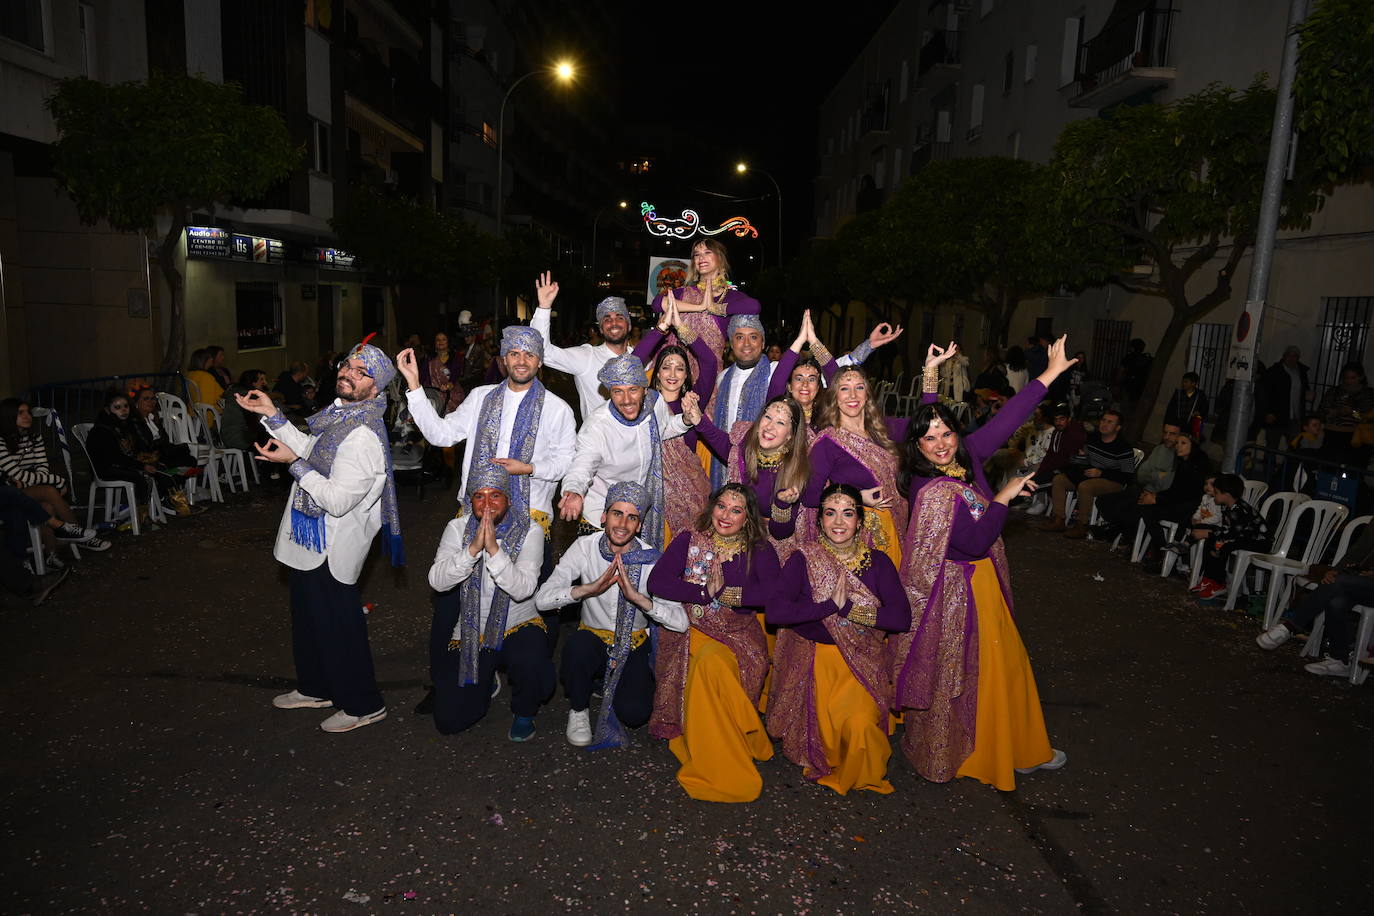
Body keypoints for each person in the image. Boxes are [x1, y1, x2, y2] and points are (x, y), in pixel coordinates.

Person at [236, 341, 404, 734]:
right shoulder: (341, 417)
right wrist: (273, 416)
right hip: (309, 540)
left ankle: (365, 704)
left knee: (339, 629)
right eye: (348, 364)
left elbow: (338, 500)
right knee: (309, 622)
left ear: (375, 389)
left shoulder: (362, 435)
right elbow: (316, 449)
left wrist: (293, 464)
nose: (348, 372)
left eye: (362, 372)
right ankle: (316, 688)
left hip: (332, 546)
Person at [893, 426, 1068, 789]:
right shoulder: (935, 489)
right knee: (986, 671)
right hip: (963, 592)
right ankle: (991, 753)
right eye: (929, 437)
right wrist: (1004, 495)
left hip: (980, 587)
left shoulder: (956, 477)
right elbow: (973, 542)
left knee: (1003, 668)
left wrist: (1003, 496)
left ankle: (1016, 746)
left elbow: (979, 515)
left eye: (946, 434)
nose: (940, 443)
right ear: (917, 447)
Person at [767, 483, 911, 795]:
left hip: (861, 665)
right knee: (824, 743)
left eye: (847, 514)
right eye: (830, 514)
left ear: (860, 521)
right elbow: (776, 612)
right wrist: (827, 607)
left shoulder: (878, 562)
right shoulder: (803, 559)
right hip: (814, 665)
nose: (838, 522)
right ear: (819, 521)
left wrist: (850, 610)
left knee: (859, 727)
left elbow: (901, 618)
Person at [646, 483, 781, 803]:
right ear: (712, 507)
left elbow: (777, 596)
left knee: (714, 663)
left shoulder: (759, 549)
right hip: (691, 630)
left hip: (738, 635)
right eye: (721, 506)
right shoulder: (690, 538)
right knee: (708, 662)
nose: (726, 516)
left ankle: (723, 740)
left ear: (747, 518)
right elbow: (658, 582)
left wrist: (737, 596)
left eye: (736, 511)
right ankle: (714, 744)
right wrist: (703, 593)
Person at [536, 481, 689, 747]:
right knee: (577, 650)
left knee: (634, 714)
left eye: (632, 518)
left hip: (633, 642)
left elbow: (680, 622)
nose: (622, 524)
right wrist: (586, 589)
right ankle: (579, 708)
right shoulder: (585, 547)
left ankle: (611, 683)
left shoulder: (653, 560)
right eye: (617, 514)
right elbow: (543, 600)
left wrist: (640, 599)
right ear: (603, 516)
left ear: (639, 525)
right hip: (592, 637)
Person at [398, 326, 575, 545]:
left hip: (530, 511)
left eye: (529, 354)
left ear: (540, 361)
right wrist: (414, 385)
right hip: (477, 510)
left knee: (522, 580)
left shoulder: (558, 409)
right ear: (504, 360)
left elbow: (565, 462)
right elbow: (441, 435)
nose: (521, 361)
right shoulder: (480, 397)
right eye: (514, 354)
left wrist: (529, 469)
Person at [426, 464, 553, 741]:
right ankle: (484, 679)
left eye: (495, 495)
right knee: (450, 720)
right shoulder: (457, 527)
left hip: (518, 623)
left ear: (508, 499)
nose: (486, 504)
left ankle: (524, 712)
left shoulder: (529, 530)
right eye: (479, 496)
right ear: (470, 500)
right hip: (471, 630)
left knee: (531, 660)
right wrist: (472, 550)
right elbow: (437, 581)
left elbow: (523, 589)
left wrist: (494, 549)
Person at [559, 354, 690, 549]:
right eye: (618, 391)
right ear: (609, 392)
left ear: (645, 390)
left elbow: (664, 428)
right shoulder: (597, 426)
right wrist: (574, 491)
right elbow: (582, 465)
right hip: (600, 520)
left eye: (633, 390)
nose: (626, 399)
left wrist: (685, 421)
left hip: (639, 516)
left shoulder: (655, 404)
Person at [632, 296, 719, 539]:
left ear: (686, 374)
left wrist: (682, 328)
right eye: (666, 367)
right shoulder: (643, 401)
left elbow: (709, 361)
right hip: (653, 494)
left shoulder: (693, 400)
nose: (672, 373)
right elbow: (631, 363)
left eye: (679, 367)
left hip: (691, 493)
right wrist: (660, 329)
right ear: (656, 373)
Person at [1256, 519, 1374, 678]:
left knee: (1339, 583)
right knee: (1336, 601)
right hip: (1362, 581)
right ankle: (1340, 660)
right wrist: (1335, 570)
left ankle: (1291, 626)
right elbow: (1359, 550)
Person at [0, 399, 111, 559]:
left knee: (47, 507)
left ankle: (51, 555)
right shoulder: (1, 442)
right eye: (20, 413)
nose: (27, 416)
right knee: (50, 490)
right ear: (8, 417)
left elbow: (42, 468)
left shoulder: (35, 438)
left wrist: (28, 481)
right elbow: (18, 476)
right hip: (9, 493)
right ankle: (81, 537)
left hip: (28, 488)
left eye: (28, 412)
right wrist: (58, 481)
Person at [767, 309, 902, 428]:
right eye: (798, 378)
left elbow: (836, 375)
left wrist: (814, 342)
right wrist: (799, 341)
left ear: (820, 386)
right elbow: (777, 381)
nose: (805, 385)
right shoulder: (779, 413)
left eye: (812, 379)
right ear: (789, 386)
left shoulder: (829, 414)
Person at [1098, 432, 1209, 568]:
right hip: (1175, 502)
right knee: (1140, 502)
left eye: (1183, 443)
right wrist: (1155, 496)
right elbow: (1173, 491)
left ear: (1194, 446)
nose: (1178, 447)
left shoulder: (1197, 466)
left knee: (1147, 510)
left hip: (1187, 509)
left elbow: (1186, 496)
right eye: (1178, 443)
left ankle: (1159, 549)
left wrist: (1157, 499)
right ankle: (1128, 535)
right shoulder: (1182, 464)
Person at [652, 238, 761, 376]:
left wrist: (715, 308)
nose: (701, 257)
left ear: (720, 259)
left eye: (707, 252)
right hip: (675, 370)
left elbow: (754, 306)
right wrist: (700, 307)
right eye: (696, 255)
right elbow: (657, 304)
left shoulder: (732, 297)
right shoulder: (683, 293)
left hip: (708, 373)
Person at [530, 271, 631, 420]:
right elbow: (543, 352)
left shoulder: (642, 357)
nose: (614, 323)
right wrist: (544, 308)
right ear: (601, 329)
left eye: (620, 317)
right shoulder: (587, 356)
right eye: (607, 319)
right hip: (598, 441)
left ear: (628, 326)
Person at [86, 389, 182, 525]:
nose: (123, 410)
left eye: (125, 406)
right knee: (145, 477)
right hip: (107, 468)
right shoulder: (104, 429)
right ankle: (141, 517)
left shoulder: (121, 425)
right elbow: (116, 458)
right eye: (117, 408)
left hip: (119, 463)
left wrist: (144, 460)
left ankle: (169, 503)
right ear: (108, 410)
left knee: (159, 466)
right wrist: (142, 466)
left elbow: (129, 452)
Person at [1039, 410, 1135, 537]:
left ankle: (1081, 525)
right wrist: (1080, 458)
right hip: (1091, 475)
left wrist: (1102, 473)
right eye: (1103, 420)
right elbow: (1087, 460)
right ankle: (1059, 519)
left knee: (1085, 486)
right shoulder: (1093, 439)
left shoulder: (1123, 448)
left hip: (1114, 481)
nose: (1104, 424)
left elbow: (1128, 476)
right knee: (1059, 480)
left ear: (1118, 428)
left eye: (1110, 422)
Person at [1190, 473, 1269, 602]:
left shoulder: (1239, 510)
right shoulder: (1226, 506)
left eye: (1216, 492)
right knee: (1214, 540)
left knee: (1224, 545)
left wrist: (1208, 533)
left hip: (1258, 541)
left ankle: (1219, 584)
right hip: (1240, 536)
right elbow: (1227, 530)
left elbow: (1232, 534)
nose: (1213, 495)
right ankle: (1208, 580)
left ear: (1226, 495)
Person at [1255, 345, 1310, 451]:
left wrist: (1307, 394)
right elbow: (1265, 393)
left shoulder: (1301, 372)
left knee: (1294, 446)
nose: (1291, 358)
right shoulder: (1274, 371)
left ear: (1298, 358)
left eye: (1295, 356)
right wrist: (1268, 412)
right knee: (1272, 446)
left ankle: (1289, 467)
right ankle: (1269, 466)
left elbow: (1305, 389)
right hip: (1276, 416)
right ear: (1284, 357)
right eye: (1289, 355)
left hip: (1295, 418)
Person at [1317, 361, 1374, 460]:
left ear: (1360, 377)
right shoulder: (1334, 391)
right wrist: (1335, 412)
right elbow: (1322, 412)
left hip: (1356, 436)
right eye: (1346, 378)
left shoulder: (1368, 394)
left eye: (1353, 378)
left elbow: (1366, 418)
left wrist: (1352, 412)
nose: (1349, 381)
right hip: (1332, 434)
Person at [221, 369, 272, 454]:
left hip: (230, 435)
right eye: (261, 380)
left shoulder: (237, 392)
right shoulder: (247, 397)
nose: (265, 383)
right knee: (274, 442)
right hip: (238, 437)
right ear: (253, 383)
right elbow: (260, 420)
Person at [420, 330, 466, 416]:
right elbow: (423, 378)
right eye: (438, 340)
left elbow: (455, 375)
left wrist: (448, 386)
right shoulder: (429, 360)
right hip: (433, 392)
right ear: (434, 343)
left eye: (443, 339)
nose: (440, 342)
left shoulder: (454, 358)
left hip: (452, 391)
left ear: (448, 342)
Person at [1164, 372, 1209, 437]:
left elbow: (1205, 408)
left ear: (1193, 383)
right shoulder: (1178, 394)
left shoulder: (1200, 395)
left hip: (1191, 427)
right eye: (1183, 382)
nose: (1183, 384)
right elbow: (1170, 410)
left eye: (1186, 382)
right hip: (1176, 426)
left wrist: (1199, 413)